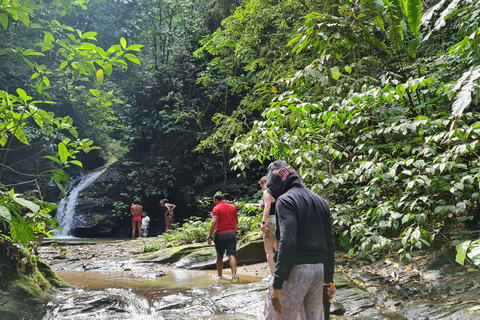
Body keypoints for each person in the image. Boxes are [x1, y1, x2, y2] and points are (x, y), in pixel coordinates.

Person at [262, 161, 336, 320]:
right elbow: (330, 243)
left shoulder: (286, 200)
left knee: (277, 315)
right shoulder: (320, 200)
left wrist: (278, 282)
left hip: (296, 269)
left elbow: (287, 242)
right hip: (318, 270)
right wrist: (328, 281)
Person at [207, 193, 239, 283]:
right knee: (231, 255)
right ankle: (234, 275)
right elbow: (236, 221)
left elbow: (213, 223)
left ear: (216, 200)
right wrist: (231, 229)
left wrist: (209, 236)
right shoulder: (232, 207)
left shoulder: (216, 208)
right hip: (231, 234)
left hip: (221, 235)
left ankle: (219, 276)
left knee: (220, 256)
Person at [259, 176, 277, 283]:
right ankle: (282, 272)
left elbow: (268, 206)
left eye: (261, 185)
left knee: (268, 250)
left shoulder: (267, 192)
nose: (261, 187)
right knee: (278, 248)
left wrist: (263, 222)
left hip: (271, 220)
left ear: (265, 183)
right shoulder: (279, 192)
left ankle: (273, 275)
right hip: (280, 221)